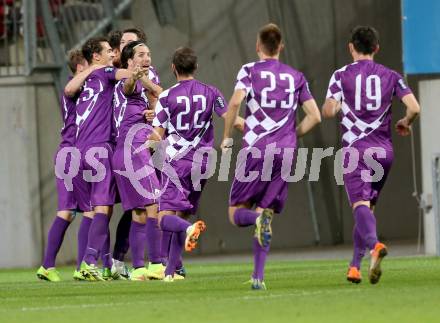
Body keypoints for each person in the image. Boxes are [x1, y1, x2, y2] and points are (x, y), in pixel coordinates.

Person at [221, 23, 321, 290]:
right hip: (286, 153)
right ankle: (258, 277)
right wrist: (292, 135)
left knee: (236, 213)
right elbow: (316, 115)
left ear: (258, 46)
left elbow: (234, 103)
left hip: (255, 149)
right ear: (281, 47)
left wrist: (227, 136)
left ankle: (256, 221)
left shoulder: (249, 71)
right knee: (267, 212)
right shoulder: (295, 76)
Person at [322, 25, 420, 284]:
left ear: (351, 48)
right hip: (383, 153)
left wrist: (340, 104)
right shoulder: (391, 76)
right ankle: (355, 265)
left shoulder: (341, 75)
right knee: (367, 209)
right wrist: (406, 122)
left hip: (356, 151)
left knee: (360, 206)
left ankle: (375, 246)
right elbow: (414, 107)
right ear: (376, 48)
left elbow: (329, 111)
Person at [64, 36, 159, 281]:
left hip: (78, 151)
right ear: (96, 56)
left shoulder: (86, 79)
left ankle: (100, 264)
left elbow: (67, 90)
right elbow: (126, 79)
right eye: (108, 50)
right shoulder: (107, 72)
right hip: (101, 149)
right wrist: (152, 86)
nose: (112, 54)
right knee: (104, 209)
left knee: (90, 211)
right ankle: (89, 262)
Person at [150, 47, 228, 282]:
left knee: (164, 217)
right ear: (196, 67)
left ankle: (188, 230)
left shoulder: (166, 97)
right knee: (181, 213)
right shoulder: (211, 92)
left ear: (173, 68)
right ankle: (170, 271)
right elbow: (230, 116)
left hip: (177, 162)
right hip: (204, 163)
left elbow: (157, 136)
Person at [36, 50, 95, 282]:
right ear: (81, 66)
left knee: (67, 212)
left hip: (65, 154)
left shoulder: (80, 88)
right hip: (73, 154)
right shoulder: (75, 87)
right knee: (91, 210)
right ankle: (83, 266)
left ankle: (47, 266)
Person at [112, 40, 164, 280]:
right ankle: (156, 264)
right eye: (141, 54)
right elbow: (129, 86)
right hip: (133, 150)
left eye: (149, 53)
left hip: (126, 151)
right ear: (130, 61)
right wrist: (135, 77)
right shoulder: (127, 80)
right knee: (154, 205)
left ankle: (139, 268)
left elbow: (157, 96)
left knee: (139, 212)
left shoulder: (144, 84)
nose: (146, 57)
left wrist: (149, 113)